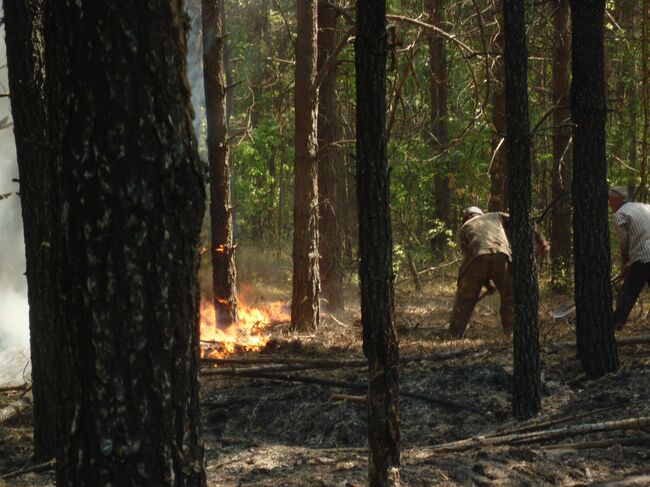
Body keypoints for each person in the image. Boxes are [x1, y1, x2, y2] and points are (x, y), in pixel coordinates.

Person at [448, 206, 549, 338]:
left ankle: (454, 334)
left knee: (465, 299)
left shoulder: (464, 227)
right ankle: (511, 334)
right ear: (480, 213)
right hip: (502, 255)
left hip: (477, 258)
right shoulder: (495, 216)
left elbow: (470, 261)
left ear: (467, 217)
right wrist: (542, 240)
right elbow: (525, 220)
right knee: (509, 297)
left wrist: (487, 285)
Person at [608, 187, 650, 330]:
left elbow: (624, 241)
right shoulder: (644, 206)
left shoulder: (621, 214)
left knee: (628, 290)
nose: (609, 204)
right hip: (643, 255)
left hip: (643, 255)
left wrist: (625, 262)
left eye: (610, 200)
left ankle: (616, 323)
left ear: (617, 199)